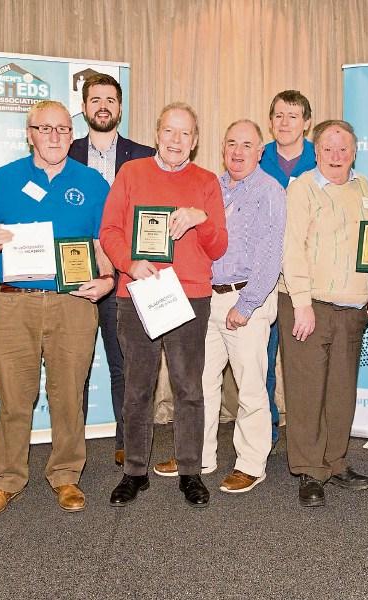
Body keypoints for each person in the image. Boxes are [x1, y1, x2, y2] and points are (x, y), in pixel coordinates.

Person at [0, 100, 113, 518]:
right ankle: (6, 480)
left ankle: (66, 475)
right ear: (29, 132)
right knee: (14, 399)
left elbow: (103, 244)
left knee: (68, 395)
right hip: (14, 303)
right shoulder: (3, 179)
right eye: (45, 129)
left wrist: (107, 280)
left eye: (62, 130)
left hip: (72, 304)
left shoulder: (92, 182)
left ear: (72, 136)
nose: (54, 137)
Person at [100, 102, 227, 508]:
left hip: (189, 295)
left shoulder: (207, 182)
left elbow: (218, 245)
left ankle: (190, 471)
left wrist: (199, 218)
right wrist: (129, 263)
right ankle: (134, 471)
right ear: (157, 134)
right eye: (170, 131)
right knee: (138, 388)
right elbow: (110, 230)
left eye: (185, 133)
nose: (176, 140)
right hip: (138, 294)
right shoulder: (131, 173)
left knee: (189, 388)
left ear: (194, 141)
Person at [156, 119, 285, 492]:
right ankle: (199, 456)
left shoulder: (269, 191)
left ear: (261, 151)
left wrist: (245, 305)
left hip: (248, 298)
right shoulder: (213, 186)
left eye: (247, 144)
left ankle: (251, 462)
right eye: (231, 143)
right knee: (201, 383)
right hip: (207, 298)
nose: (238, 151)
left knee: (249, 386)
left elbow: (270, 254)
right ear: (222, 148)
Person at [279, 119, 368, 508]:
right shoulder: (301, 189)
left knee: (341, 390)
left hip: (353, 309)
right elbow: (293, 249)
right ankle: (308, 469)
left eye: (344, 148)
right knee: (306, 392)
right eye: (328, 149)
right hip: (309, 305)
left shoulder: (365, 187)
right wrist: (301, 302)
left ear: (354, 151)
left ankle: (335, 461)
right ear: (315, 152)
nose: (336, 156)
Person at [69, 73, 155, 467]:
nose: (102, 105)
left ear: (120, 107)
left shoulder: (144, 155)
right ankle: (72, 445)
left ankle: (127, 440)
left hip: (127, 276)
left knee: (125, 364)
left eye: (110, 99)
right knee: (75, 366)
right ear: (84, 107)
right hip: (77, 277)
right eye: (95, 99)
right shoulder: (63, 153)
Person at [259, 90, 316, 445]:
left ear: (306, 123)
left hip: (306, 280)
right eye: (279, 115)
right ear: (270, 121)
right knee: (261, 361)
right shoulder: (255, 156)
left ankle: (306, 436)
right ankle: (266, 431)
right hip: (262, 278)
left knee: (303, 364)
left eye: (293, 116)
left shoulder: (323, 157)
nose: (285, 123)